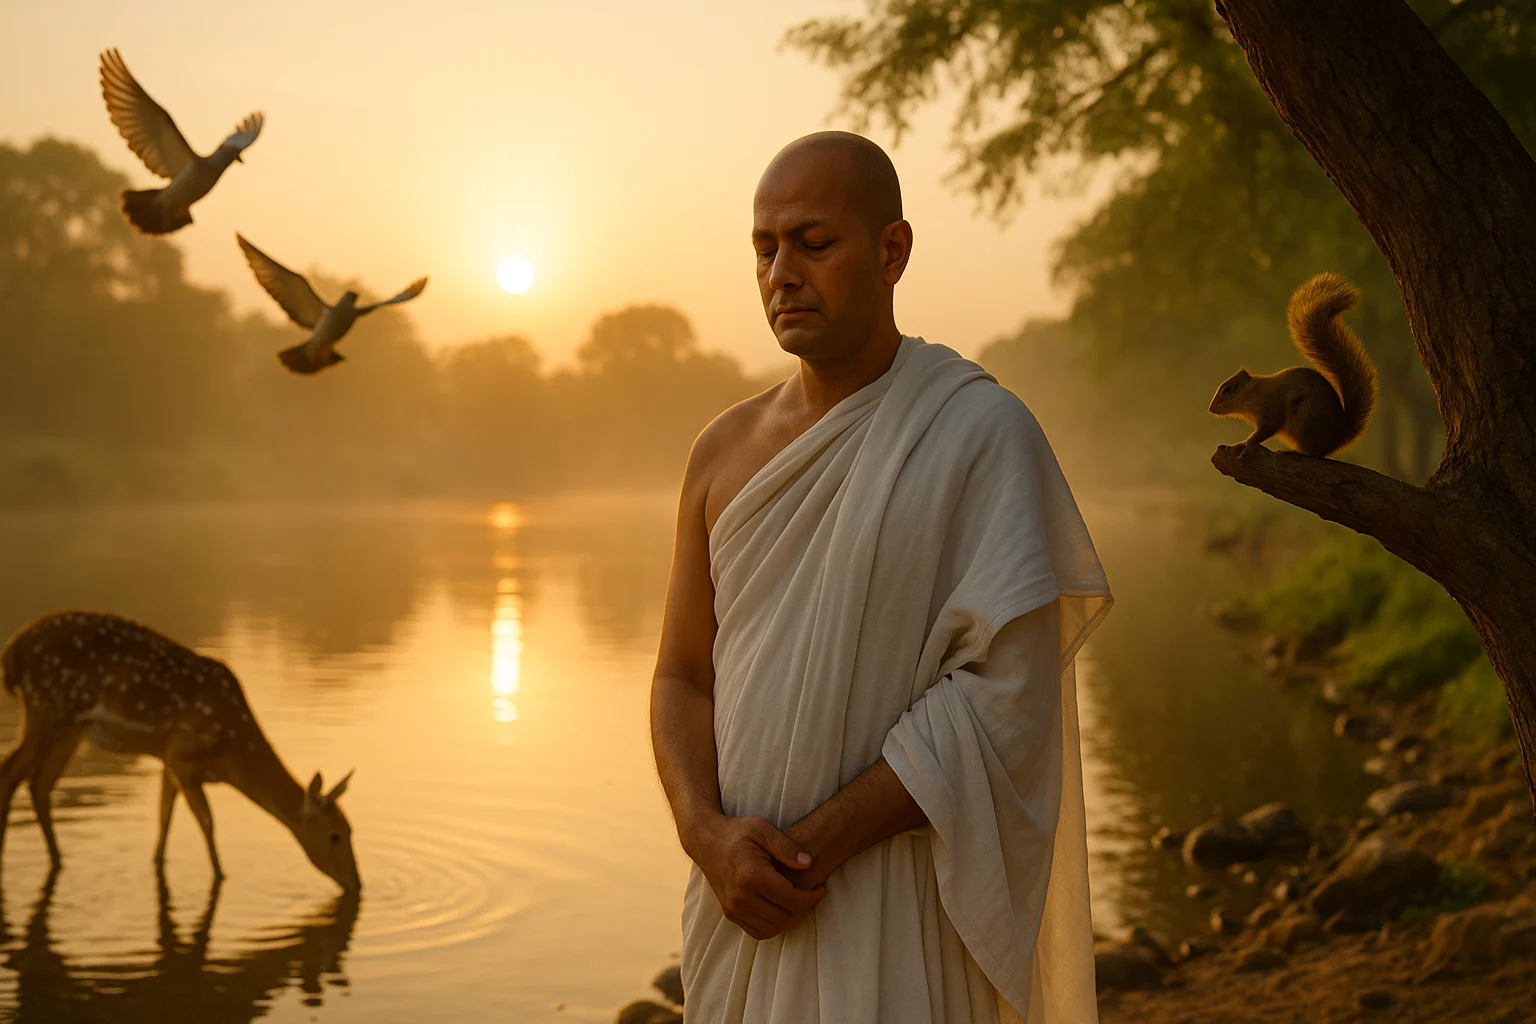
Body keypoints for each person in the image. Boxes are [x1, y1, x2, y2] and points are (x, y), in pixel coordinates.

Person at [649, 130, 1112, 1024]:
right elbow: (681, 674)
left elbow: (1007, 699)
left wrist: (811, 851)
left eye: (814, 243)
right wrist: (707, 838)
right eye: (764, 248)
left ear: (892, 251)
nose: (782, 273)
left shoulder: (979, 433)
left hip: (900, 906)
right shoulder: (720, 453)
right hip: (741, 910)